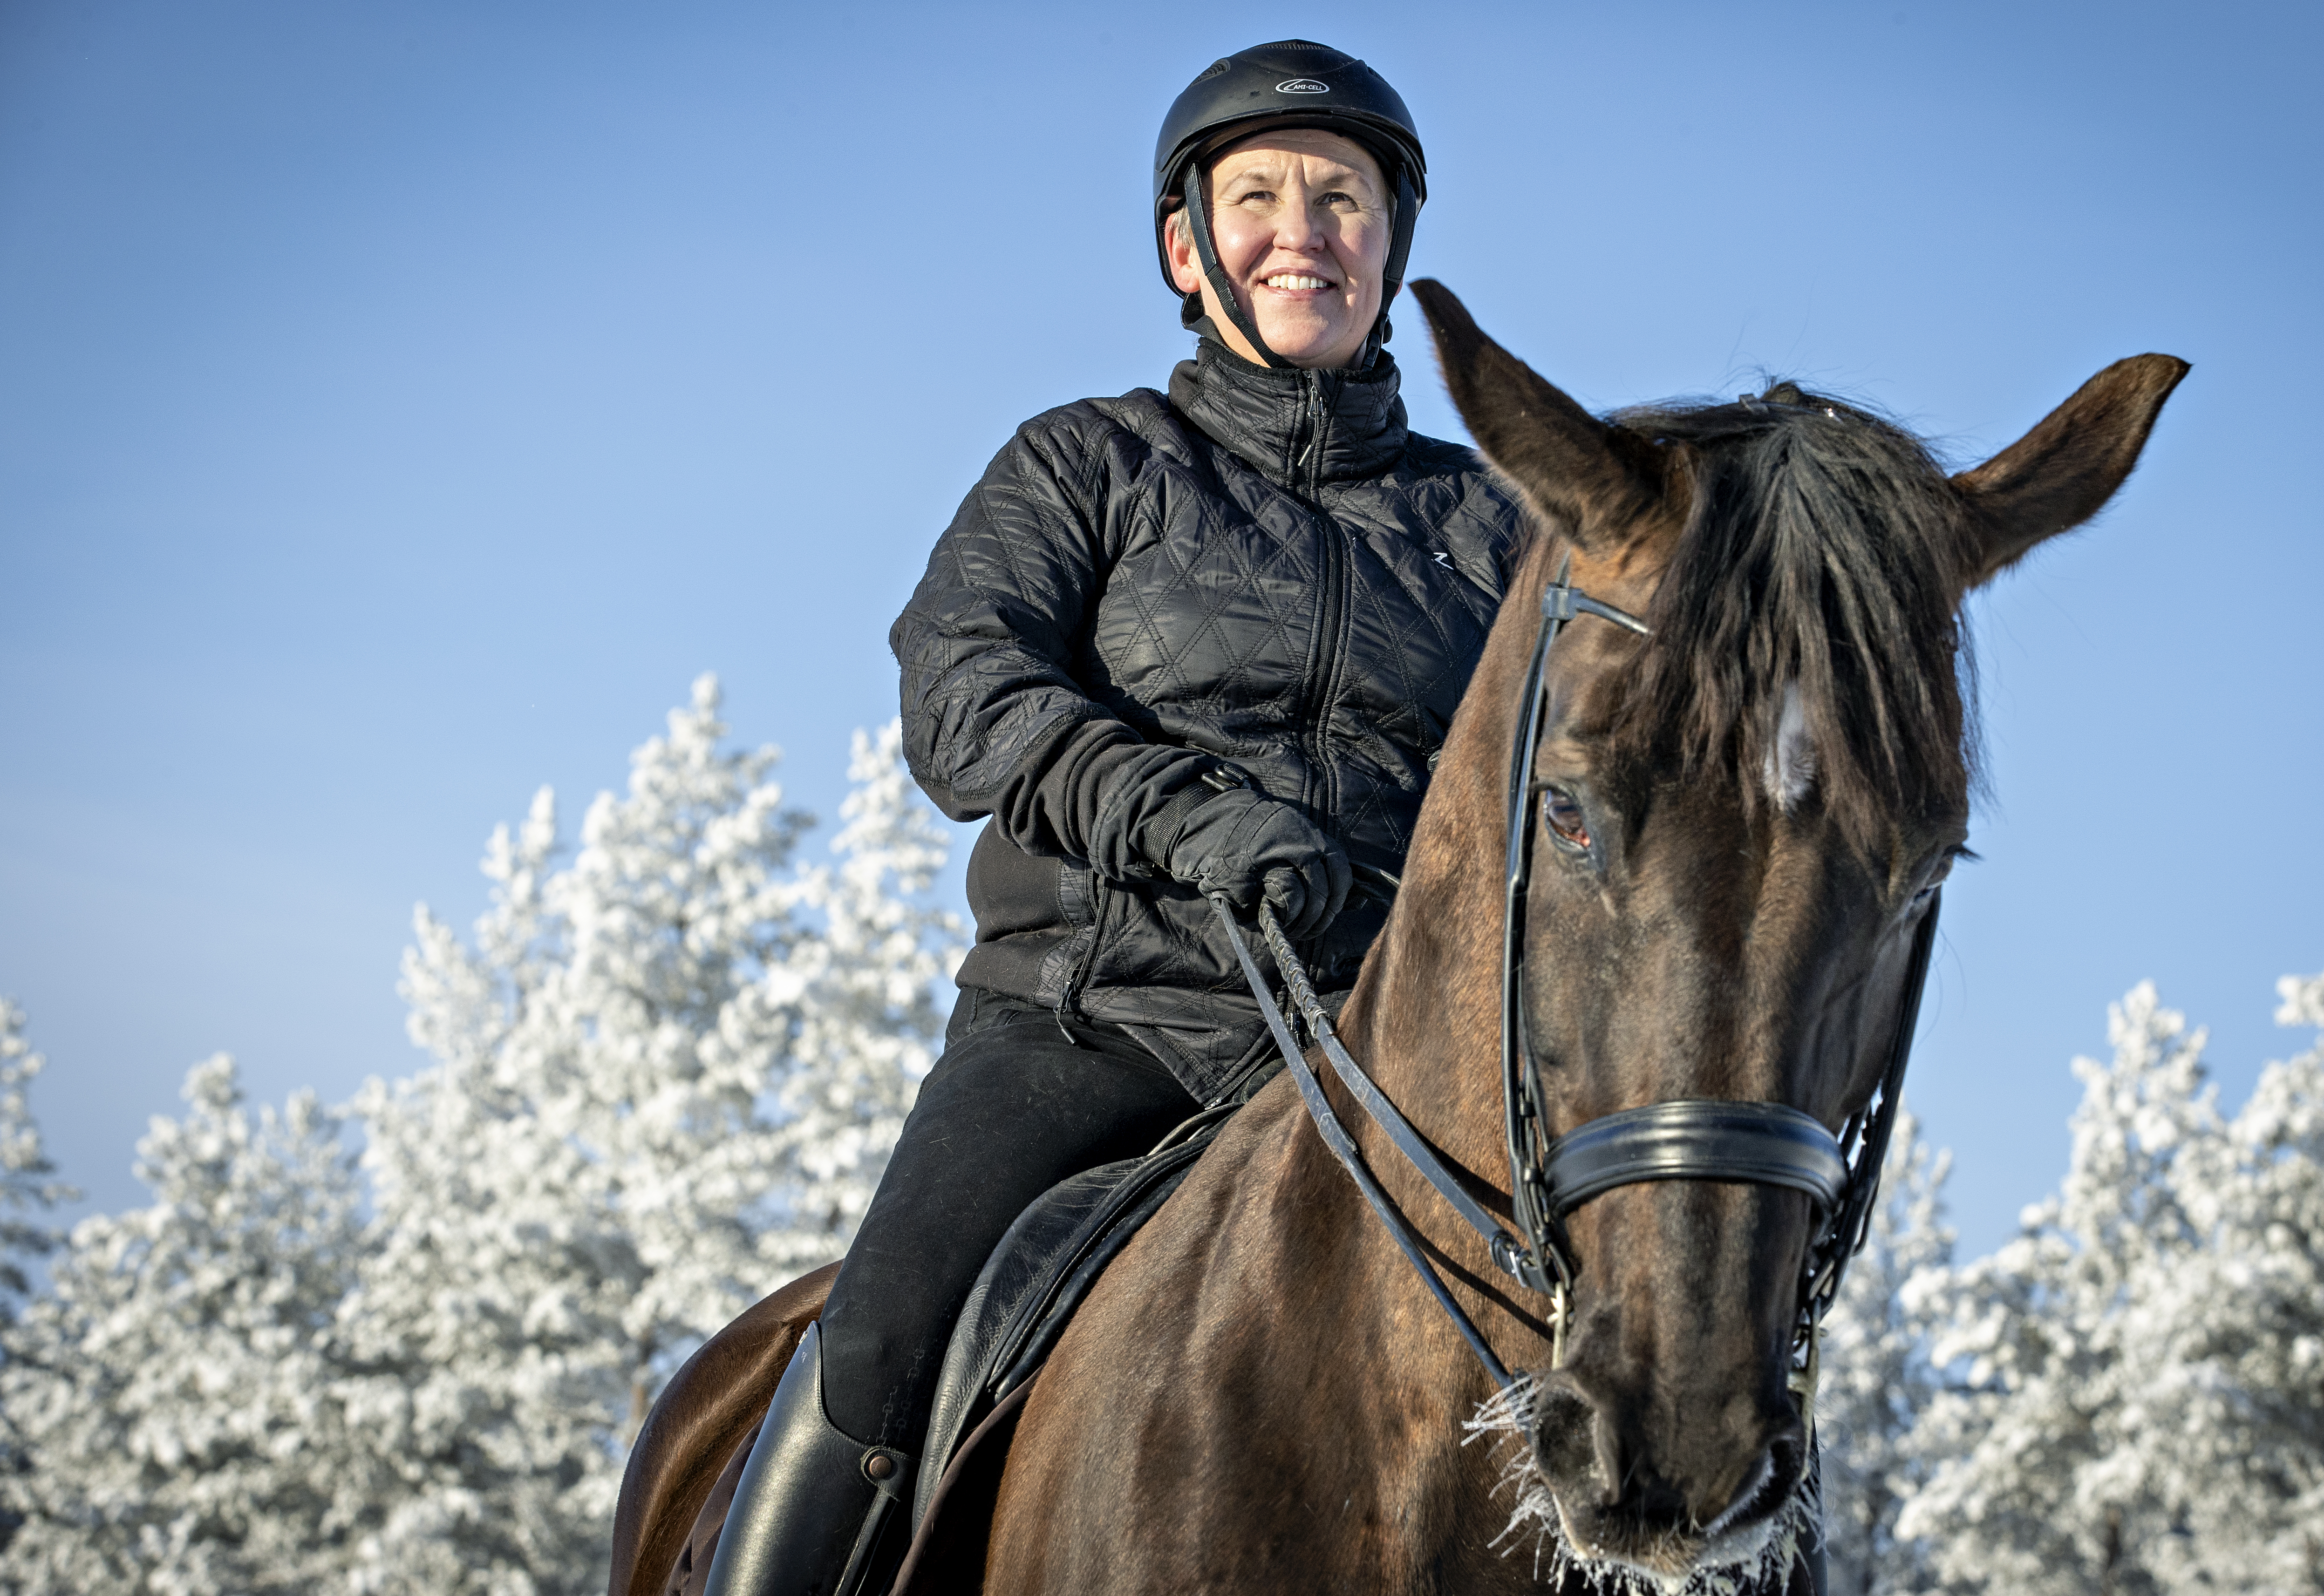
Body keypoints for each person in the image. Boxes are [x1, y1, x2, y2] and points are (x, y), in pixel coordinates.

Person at [702, 40, 1527, 1596]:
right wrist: (1190, 818)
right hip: (1094, 1020)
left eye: (1344, 198)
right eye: (1263, 195)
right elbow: (958, 692)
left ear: (1391, 243)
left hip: (1384, 1060)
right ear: (1187, 246)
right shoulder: (1088, 462)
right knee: (885, 1329)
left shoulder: (1493, 528)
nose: (1307, 230)